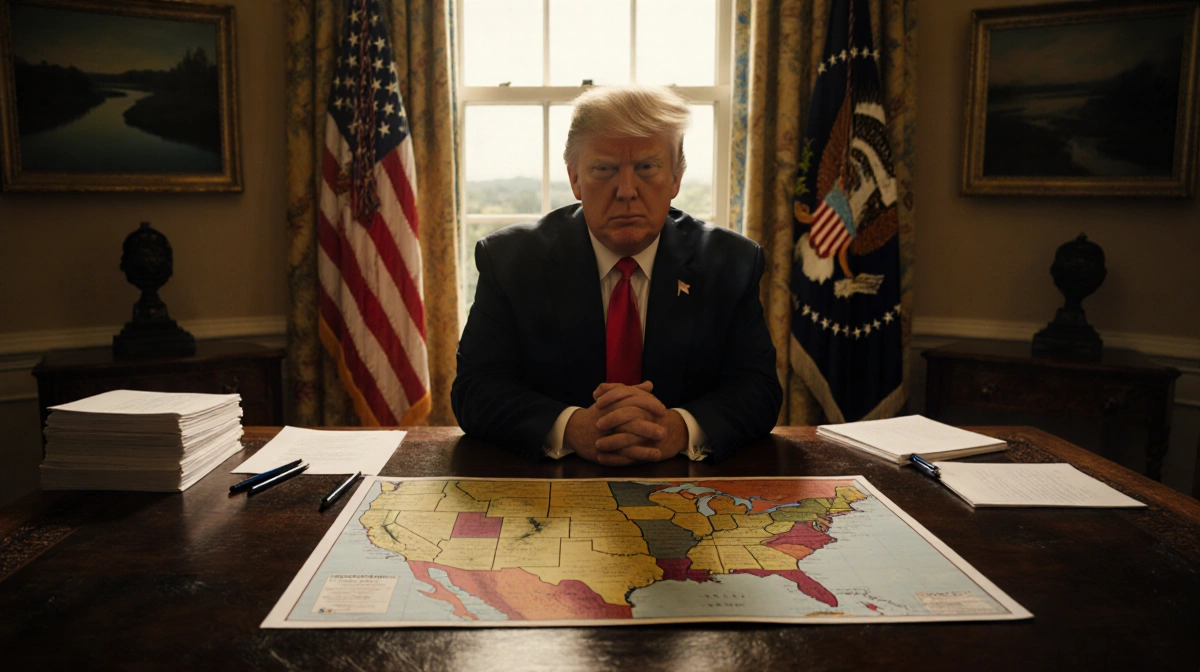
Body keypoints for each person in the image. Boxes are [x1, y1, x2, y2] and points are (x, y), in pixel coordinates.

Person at [451, 85, 781, 465]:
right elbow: (475, 390)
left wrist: (678, 429)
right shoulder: (510, 261)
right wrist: (571, 427)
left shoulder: (732, 263)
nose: (626, 190)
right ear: (575, 179)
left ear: (675, 178)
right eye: (604, 169)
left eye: (647, 167)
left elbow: (759, 390)